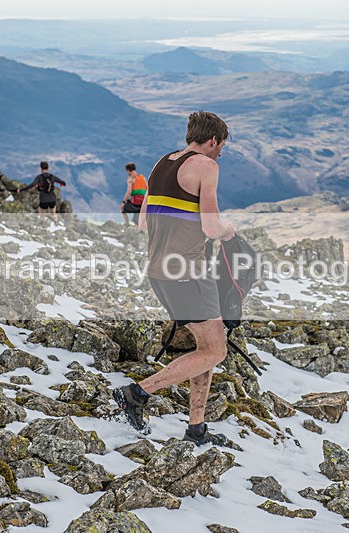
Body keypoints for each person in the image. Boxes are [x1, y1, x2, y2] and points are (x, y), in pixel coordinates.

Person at [113, 111, 236, 446]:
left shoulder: (162, 162)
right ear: (213, 141)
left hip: (158, 272)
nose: (221, 153)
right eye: (222, 146)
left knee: (207, 347)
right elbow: (212, 228)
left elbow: (142, 223)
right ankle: (137, 393)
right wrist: (228, 229)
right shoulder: (207, 166)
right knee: (216, 350)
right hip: (188, 272)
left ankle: (196, 428)